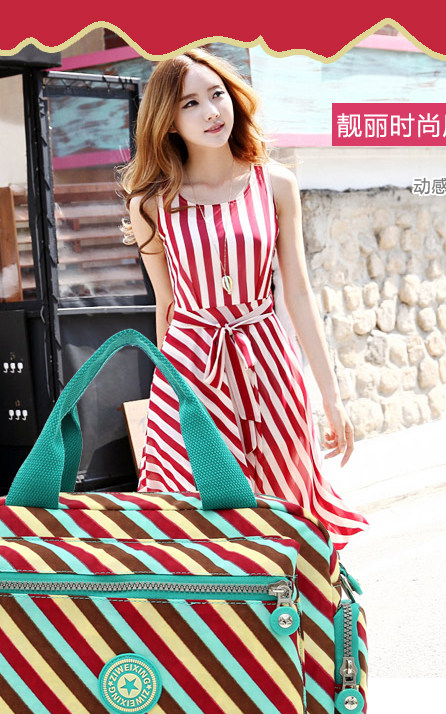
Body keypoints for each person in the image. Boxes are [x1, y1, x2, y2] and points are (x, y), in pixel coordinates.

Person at [118, 48, 368, 551]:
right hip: (191, 366)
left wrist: (331, 396)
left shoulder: (275, 184)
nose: (211, 112)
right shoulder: (151, 204)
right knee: (197, 516)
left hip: (267, 360)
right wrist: (169, 401)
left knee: (286, 501)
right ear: (167, 120)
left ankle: (297, 598)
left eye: (217, 95)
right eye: (190, 103)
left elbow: (297, 292)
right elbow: (166, 306)